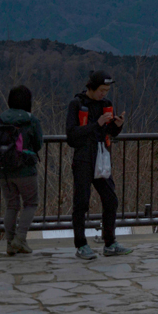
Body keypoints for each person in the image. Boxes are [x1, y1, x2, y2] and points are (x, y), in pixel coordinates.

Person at [66, 70, 132, 260]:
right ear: (91, 88)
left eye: (107, 90)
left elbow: (109, 132)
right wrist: (97, 124)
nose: (104, 94)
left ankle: (110, 242)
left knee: (111, 199)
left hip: (102, 157)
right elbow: (71, 135)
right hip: (83, 158)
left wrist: (117, 125)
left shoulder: (106, 105)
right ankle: (81, 244)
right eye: (101, 90)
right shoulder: (77, 104)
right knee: (81, 202)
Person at [0, 85, 44, 256]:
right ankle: (20, 239)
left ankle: (10, 243)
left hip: (4, 171)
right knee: (31, 203)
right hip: (26, 170)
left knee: (11, 206)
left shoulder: (0, 119)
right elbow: (38, 144)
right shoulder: (31, 120)